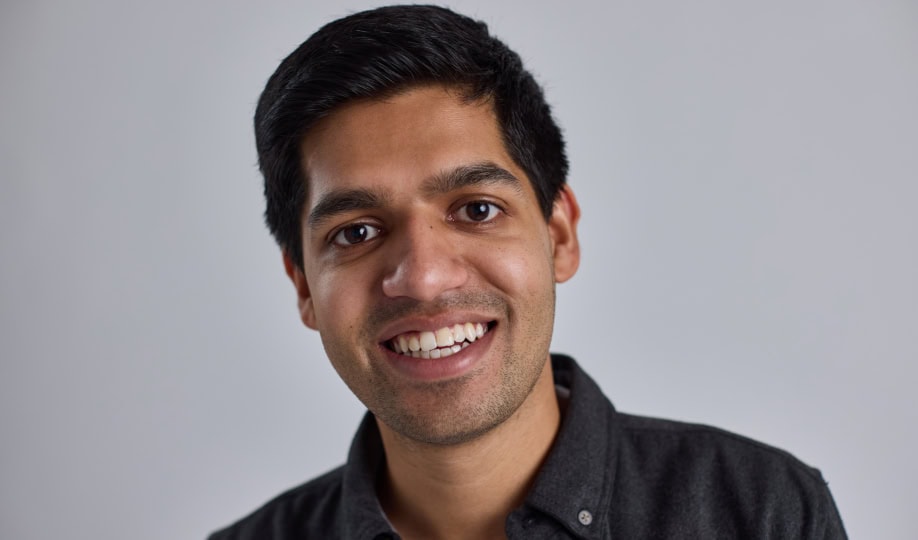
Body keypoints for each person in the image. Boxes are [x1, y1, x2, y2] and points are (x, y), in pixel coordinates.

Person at [209, 5, 846, 539]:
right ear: (303, 288)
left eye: (476, 209)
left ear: (558, 234)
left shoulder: (758, 512)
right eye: (356, 233)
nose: (424, 278)